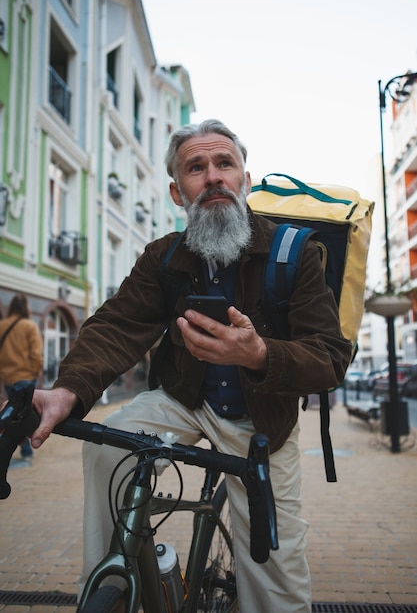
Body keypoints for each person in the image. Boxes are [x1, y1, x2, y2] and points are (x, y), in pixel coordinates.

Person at [27, 119, 351, 611]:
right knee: (104, 451)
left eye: (225, 163)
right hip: (185, 402)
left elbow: (329, 357)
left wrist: (259, 353)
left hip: (263, 420)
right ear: (179, 194)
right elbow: (115, 325)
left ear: (245, 179)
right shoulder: (164, 257)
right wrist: (66, 390)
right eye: (196, 168)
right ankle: (108, 589)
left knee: (276, 578)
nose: (213, 176)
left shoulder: (295, 253)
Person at [0, 293, 43, 459]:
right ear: (26, 307)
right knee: (25, 414)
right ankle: (26, 449)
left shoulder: (2, 325)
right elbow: (36, 354)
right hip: (25, 377)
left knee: (11, 411)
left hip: (7, 376)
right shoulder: (29, 326)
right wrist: (36, 372)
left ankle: (8, 445)